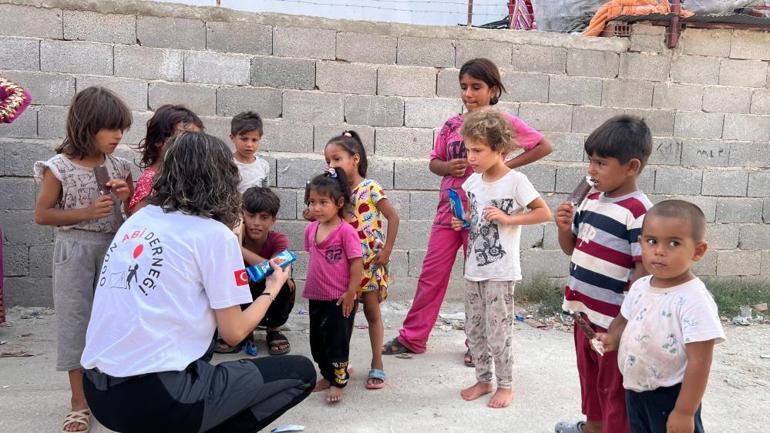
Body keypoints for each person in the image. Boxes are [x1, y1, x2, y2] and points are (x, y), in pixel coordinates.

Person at [80, 132, 315, 433]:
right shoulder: (213, 235)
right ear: (223, 180)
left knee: (202, 344)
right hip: (154, 397)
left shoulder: (136, 221)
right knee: (300, 373)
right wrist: (272, 289)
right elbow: (234, 333)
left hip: (98, 392)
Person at [383, 57, 553, 366]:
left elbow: (543, 145)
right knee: (431, 275)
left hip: (484, 217)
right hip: (448, 213)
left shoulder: (502, 124)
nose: (468, 94)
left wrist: (502, 167)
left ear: (493, 89)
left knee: (482, 280)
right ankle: (413, 337)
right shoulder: (451, 125)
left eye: (476, 87)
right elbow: (434, 162)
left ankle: (479, 345)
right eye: (464, 87)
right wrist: (447, 166)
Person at [33, 86, 134, 433]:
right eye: (110, 128)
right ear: (85, 126)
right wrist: (86, 212)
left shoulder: (120, 165)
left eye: (122, 128)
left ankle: (112, 391)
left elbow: (133, 211)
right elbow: (42, 215)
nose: (118, 136)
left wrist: (126, 195)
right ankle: (79, 401)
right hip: (73, 251)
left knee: (115, 321)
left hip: (114, 252)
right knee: (76, 323)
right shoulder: (57, 167)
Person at [553, 115, 654, 433]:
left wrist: (622, 324)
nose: (591, 171)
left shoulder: (638, 212)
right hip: (583, 316)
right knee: (592, 383)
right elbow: (571, 248)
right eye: (590, 161)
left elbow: (642, 269)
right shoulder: (591, 200)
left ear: (631, 167)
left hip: (612, 325)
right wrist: (564, 227)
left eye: (600, 163)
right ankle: (592, 427)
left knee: (613, 389)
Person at [450, 108, 551, 408]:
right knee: (475, 329)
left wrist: (508, 219)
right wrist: (464, 222)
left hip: (501, 270)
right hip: (474, 268)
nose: (471, 156)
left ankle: (505, 385)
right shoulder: (472, 184)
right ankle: (484, 380)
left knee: (499, 330)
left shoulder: (516, 181)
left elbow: (543, 212)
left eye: (478, 150)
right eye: (468, 149)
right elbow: (476, 218)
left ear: (500, 149)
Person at [597, 200, 725, 433]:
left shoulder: (694, 299)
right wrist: (613, 339)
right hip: (635, 389)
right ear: (641, 243)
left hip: (672, 394)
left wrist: (685, 411)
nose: (659, 251)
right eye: (652, 241)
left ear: (698, 251)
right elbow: (624, 321)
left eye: (674, 243)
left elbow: (700, 362)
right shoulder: (640, 286)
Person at [324, 130, 400, 390]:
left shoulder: (371, 188)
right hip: (344, 266)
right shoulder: (336, 192)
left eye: (337, 159)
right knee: (343, 317)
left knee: (371, 312)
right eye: (328, 161)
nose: (332, 165)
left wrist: (387, 250)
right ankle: (339, 366)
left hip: (370, 262)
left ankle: (377, 362)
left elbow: (394, 217)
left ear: (354, 158)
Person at [304, 168, 364, 403]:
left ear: (339, 203)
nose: (315, 208)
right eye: (312, 202)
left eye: (322, 202)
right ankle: (327, 375)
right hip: (316, 296)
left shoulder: (346, 232)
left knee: (336, 342)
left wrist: (351, 292)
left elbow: (356, 262)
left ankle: (339, 381)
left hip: (340, 299)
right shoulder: (310, 229)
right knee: (317, 342)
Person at [214, 186, 296, 355]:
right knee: (231, 279)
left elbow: (274, 268)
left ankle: (273, 329)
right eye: (251, 216)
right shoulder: (233, 237)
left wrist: (238, 249)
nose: (256, 223)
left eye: (264, 217)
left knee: (285, 283)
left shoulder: (278, 240)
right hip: (243, 296)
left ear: (273, 220)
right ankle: (242, 330)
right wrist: (236, 237)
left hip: (267, 293)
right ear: (242, 215)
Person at [128, 104, 203, 214]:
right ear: (158, 141)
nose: (193, 145)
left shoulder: (181, 175)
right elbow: (138, 222)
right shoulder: (151, 181)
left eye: (197, 139)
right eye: (184, 138)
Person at [231, 111, 270, 194]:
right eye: (244, 139)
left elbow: (265, 193)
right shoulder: (227, 164)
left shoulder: (263, 166)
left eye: (254, 140)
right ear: (232, 138)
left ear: (260, 139)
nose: (249, 144)